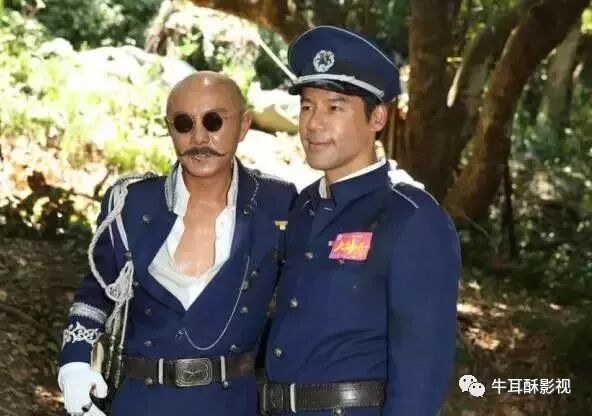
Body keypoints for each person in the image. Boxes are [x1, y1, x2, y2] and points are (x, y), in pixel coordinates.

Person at [57, 71, 298, 416]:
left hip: (232, 403)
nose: (199, 137)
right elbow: (96, 294)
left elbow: (300, 305)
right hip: (139, 402)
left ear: (243, 125)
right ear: (169, 128)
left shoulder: (277, 203)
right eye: (184, 123)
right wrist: (74, 365)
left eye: (214, 121)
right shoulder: (130, 203)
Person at [261, 26, 461, 415]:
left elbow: (420, 378)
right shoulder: (305, 208)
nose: (313, 124)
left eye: (335, 108)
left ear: (377, 118)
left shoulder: (411, 218)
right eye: (307, 106)